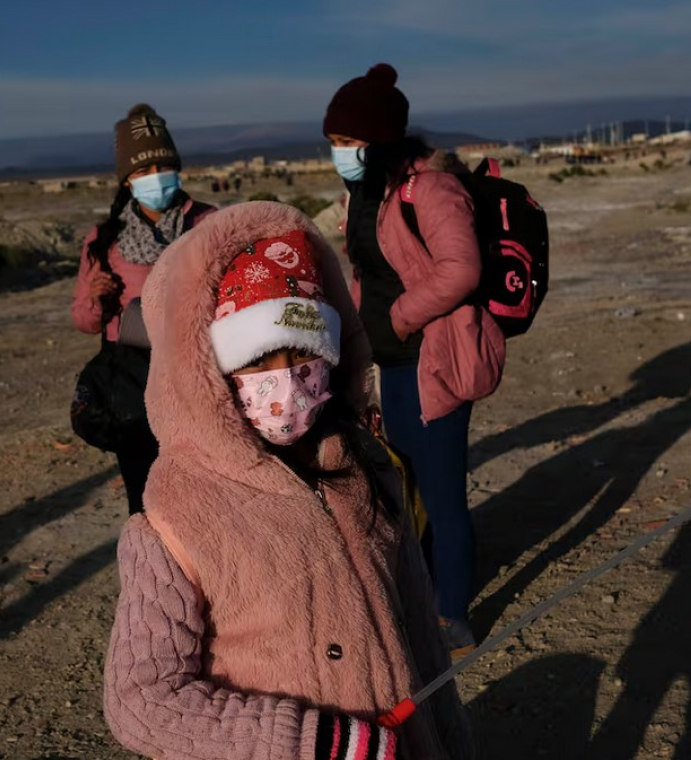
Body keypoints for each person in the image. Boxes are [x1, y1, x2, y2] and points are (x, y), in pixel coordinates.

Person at [103, 202, 474, 760]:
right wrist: (312, 741)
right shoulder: (175, 518)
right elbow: (142, 700)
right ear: (209, 369)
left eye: (302, 355)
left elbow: (421, 636)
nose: (283, 382)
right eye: (256, 360)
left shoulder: (365, 468)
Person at [323, 64, 506, 656]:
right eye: (333, 145)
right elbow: (364, 277)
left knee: (443, 491)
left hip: (434, 361)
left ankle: (452, 614)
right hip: (389, 366)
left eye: (348, 143)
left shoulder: (430, 189)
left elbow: (463, 270)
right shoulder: (365, 195)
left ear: (380, 140)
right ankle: (415, 593)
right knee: (401, 488)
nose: (340, 155)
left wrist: (399, 317)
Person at [71, 103, 214, 514]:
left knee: (205, 492)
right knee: (148, 497)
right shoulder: (105, 239)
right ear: (127, 180)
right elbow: (82, 320)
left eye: (163, 166)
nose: (157, 177)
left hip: (198, 373)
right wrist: (95, 301)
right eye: (145, 170)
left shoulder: (208, 223)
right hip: (134, 382)